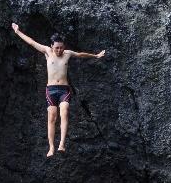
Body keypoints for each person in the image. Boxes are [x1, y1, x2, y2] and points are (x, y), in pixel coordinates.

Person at [10, 23, 106, 157]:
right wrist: (17, 32)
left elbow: (80, 55)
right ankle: (51, 147)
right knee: (52, 117)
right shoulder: (47, 52)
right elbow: (31, 42)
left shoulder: (67, 54)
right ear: (51, 46)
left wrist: (95, 56)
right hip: (51, 90)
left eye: (61, 48)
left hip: (64, 90)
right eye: (56, 48)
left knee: (65, 111)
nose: (59, 50)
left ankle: (61, 144)